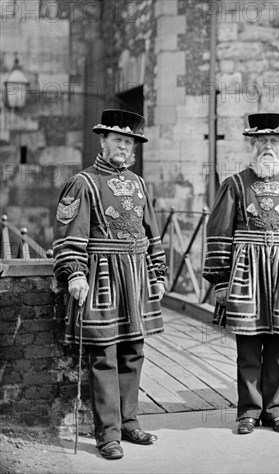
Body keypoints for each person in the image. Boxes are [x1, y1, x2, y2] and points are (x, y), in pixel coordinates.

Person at [53, 109, 167, 459]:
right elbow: (71, 234)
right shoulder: (83, 183)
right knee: (104, 354)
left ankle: (130, 422)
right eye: (117, 139)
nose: (123, 146)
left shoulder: (138, 182)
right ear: (103, 142)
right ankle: (108, 434)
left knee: (135, 350)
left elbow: (151, 231)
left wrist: (158, 273)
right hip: (101, 275)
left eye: (128, 141)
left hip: (136, 275)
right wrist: (74, 272)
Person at [203, 113, 279, 435]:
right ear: (252, 145)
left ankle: (276, 411)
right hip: (246, 273)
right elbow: (218, 234)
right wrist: (221, 281)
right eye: (262, 142)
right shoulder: (235, 184)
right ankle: (249, 412)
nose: (269, 147)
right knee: (249, 345)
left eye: (275, 142)